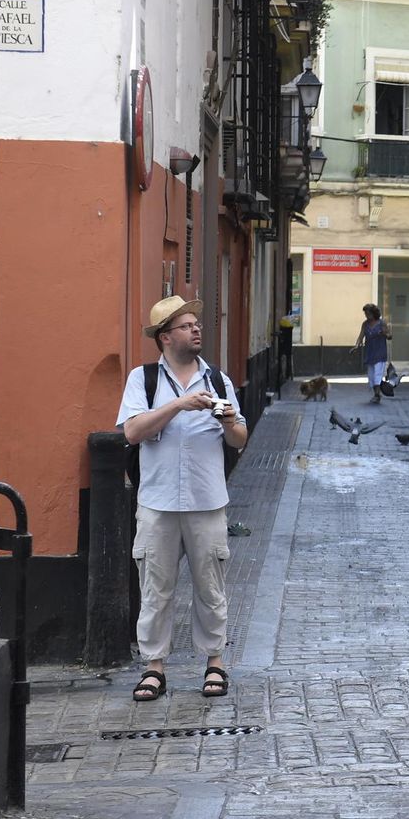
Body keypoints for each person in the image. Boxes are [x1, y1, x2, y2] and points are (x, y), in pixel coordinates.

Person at [116, 295, 248, 702]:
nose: (197, 330)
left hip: (208, 500)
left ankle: (215, 662)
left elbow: (239, 439)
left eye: (197, 324)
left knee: (211, 587)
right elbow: (132, 432)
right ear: (165, 337)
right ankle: (154, 668)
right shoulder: (144, 379)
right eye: (187, 325)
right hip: (157, 502)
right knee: (156, 588)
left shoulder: (219, 381)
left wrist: (227, 420)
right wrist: (178, 404)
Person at [355, 303, 391, 404]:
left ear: (373, 313)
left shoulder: (381, 323)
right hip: (369, 352)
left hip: (380, 352)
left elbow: (389, 335)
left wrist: (384, 334)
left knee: (377, 374)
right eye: (365, 313)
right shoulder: (365, 324)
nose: (366, 315)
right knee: (371, 376)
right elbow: (360, 336)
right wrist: (356, 346)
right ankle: (377, 392)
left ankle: (377, 395)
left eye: (368, 313)